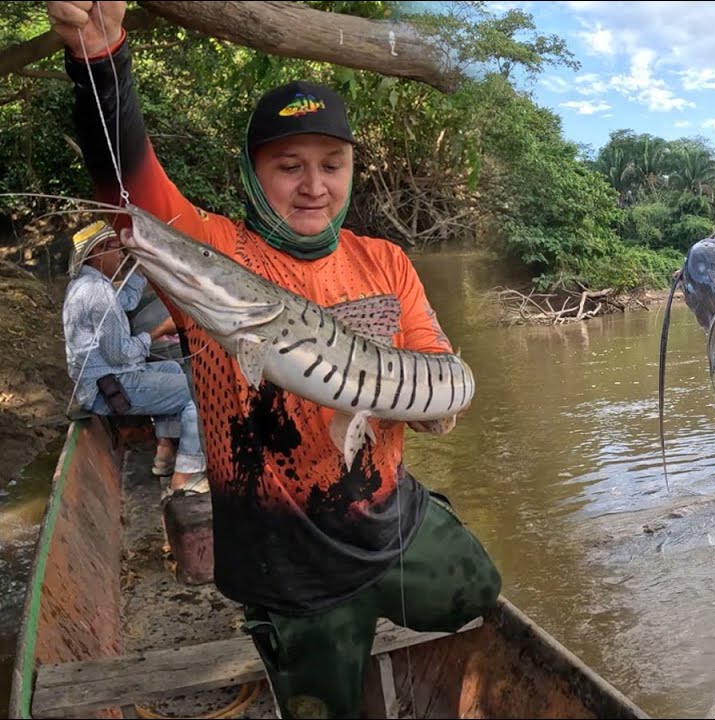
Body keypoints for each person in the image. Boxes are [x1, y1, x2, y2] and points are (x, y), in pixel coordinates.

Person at [46, 2, 502, 717]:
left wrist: (436, 410)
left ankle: (395, 589)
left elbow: (436, 364)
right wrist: (99, 57)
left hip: (387, 514)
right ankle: (299, 637)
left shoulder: (385, 260)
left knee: (479, 590)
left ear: (351, 170)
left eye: (331, 165)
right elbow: (131, 195)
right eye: (289, 167)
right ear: (254, 174)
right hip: (284, 552)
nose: (314, 185)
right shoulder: (219, 253)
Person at [62, 219, 208, 496]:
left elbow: (126, 302)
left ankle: (164, 452)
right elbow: (120, 354)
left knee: (172, 369)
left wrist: (143, 267)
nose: (120, 255)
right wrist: (159, 331)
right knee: (196, 391)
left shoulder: (85, 284)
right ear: (97, 252)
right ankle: (186, 476)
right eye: (115, 249)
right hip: (109, 388)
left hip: (100, 383)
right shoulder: (98, 292)